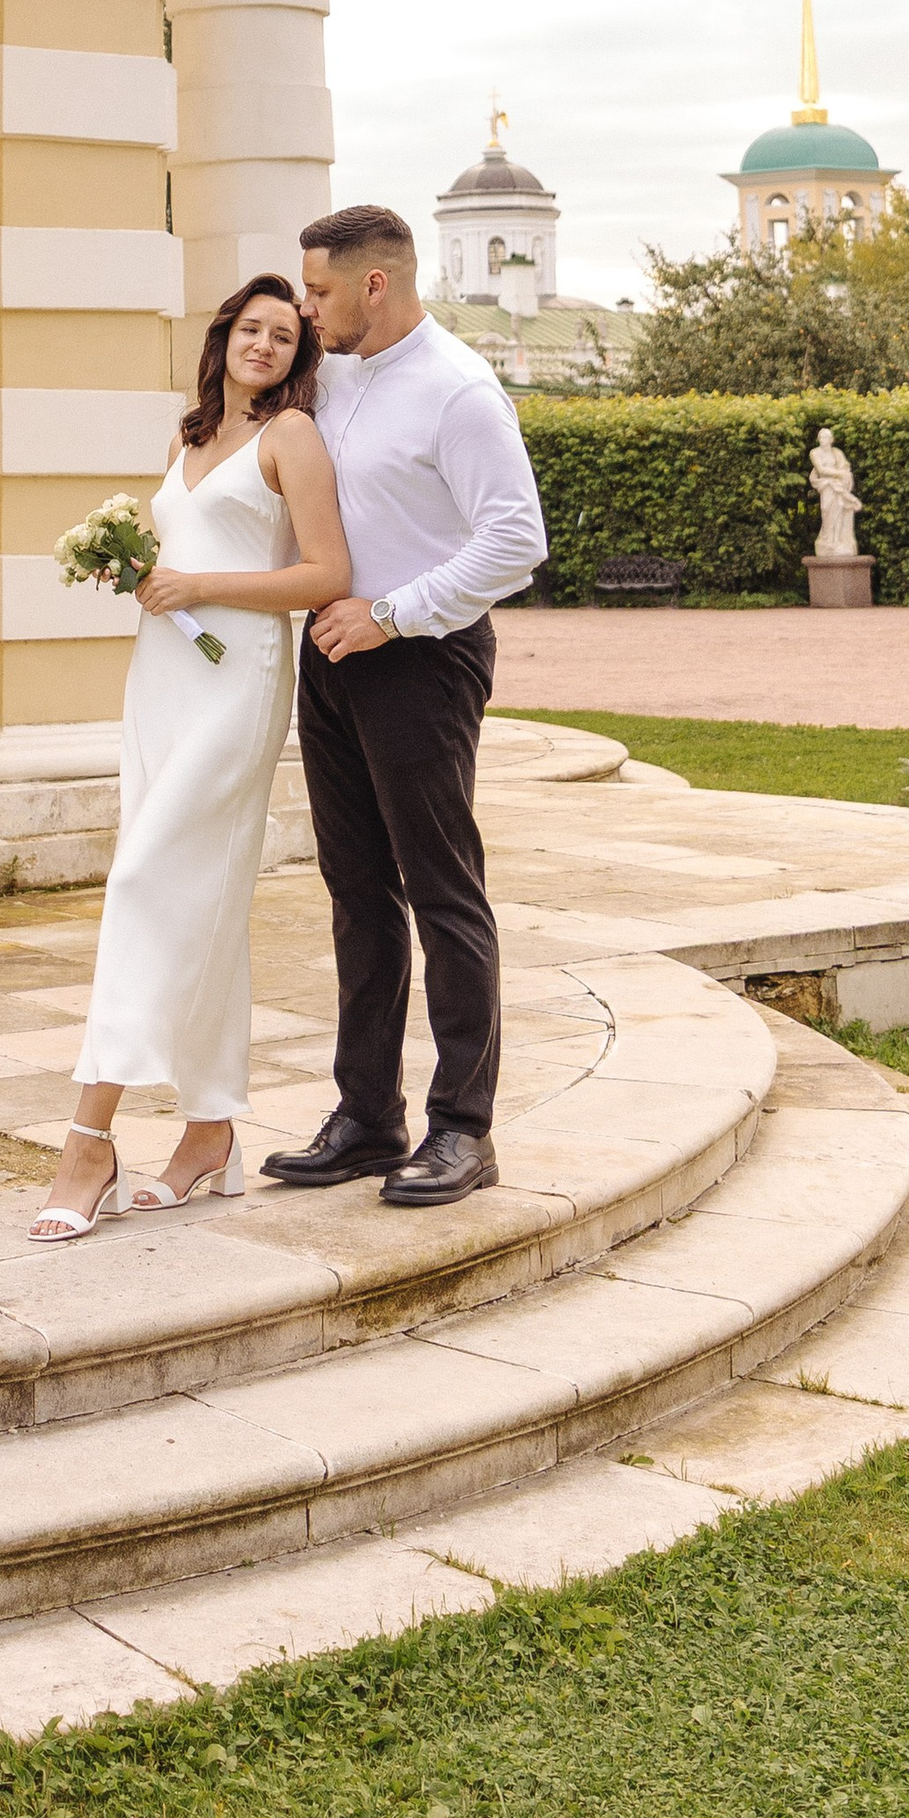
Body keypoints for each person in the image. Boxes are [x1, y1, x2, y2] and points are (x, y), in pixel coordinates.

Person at [29, 276, 351, 1242]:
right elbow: (177, 558)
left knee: (143, 881)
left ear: (297, 356)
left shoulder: (291, 438)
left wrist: (199, 583)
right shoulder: (187, 436)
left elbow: (326, 574)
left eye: (284, 336)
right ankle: (210, 1130)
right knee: (204, 902)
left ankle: (89, 1138)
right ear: (224, 338)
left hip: (238, 680)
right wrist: (134, 573)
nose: (264, 345)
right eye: (251, 328)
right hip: (163, 676)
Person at [262, 204, 547, 1209]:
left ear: (373, 283)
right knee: (355, 889)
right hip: (331, 654)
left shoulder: (458, 391)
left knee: (441, 889)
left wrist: (393, 614)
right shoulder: (331, 375)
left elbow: (514, 539)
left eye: (320, 290)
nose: (308, 307)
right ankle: (367, 1117)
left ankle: (464, 1127)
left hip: (422, 657)